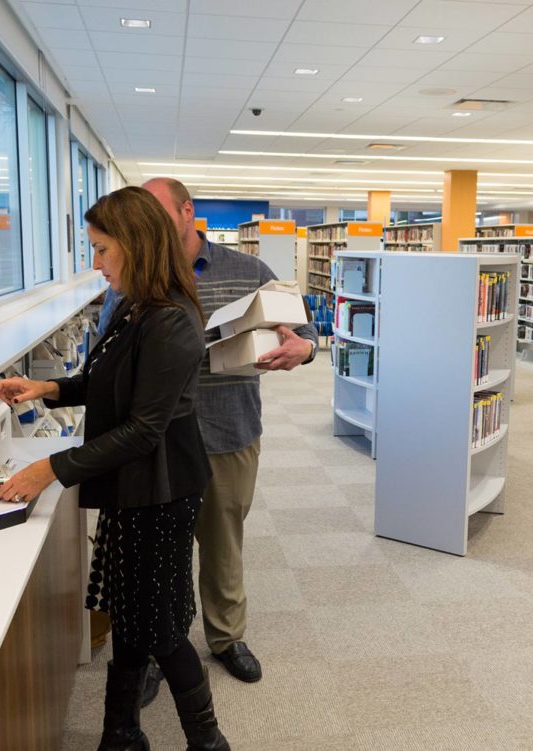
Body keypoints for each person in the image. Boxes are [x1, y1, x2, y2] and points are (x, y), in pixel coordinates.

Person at [0, 186, 230, 751]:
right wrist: (48, 387)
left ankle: (209, 741)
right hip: (136, 484)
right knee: (133, 616)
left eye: (101, 250)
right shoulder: (134, 307)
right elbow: (109, 383)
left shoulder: (171, 321)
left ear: (137, 246)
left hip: (163, 488)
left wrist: (52, 469)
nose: (95, 264)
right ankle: (120, 735)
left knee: (160, 628)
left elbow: (145, 427)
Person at [142, 178, 319, 685]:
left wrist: (300, 350)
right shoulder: (139, 274)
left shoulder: (249, 271)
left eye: (159, 214)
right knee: (160, 550)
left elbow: (303, 332)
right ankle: (161, 648)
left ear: (186, 211)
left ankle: (226, 637)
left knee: (223, 542)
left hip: (228, 431)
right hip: (155, 440)